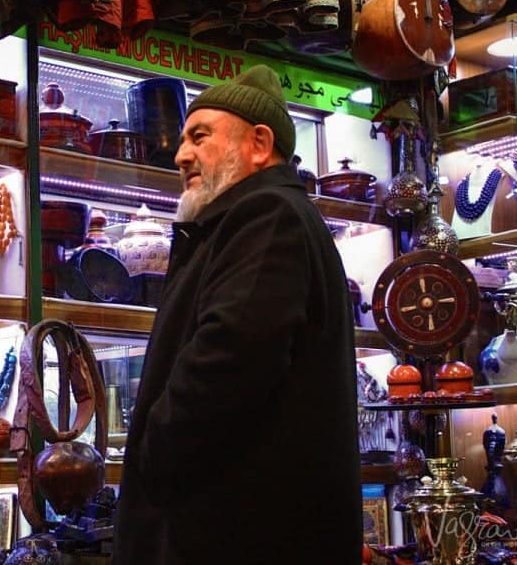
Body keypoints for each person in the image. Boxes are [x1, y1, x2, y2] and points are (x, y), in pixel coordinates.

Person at [113, 64, 362, 564]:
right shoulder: (252, 220)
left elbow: (229, 359)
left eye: (200, 137)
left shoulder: (268, 216)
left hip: (240, 536)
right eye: (183, 139)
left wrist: (153, 458)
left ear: (259, 144)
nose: (181, 155)